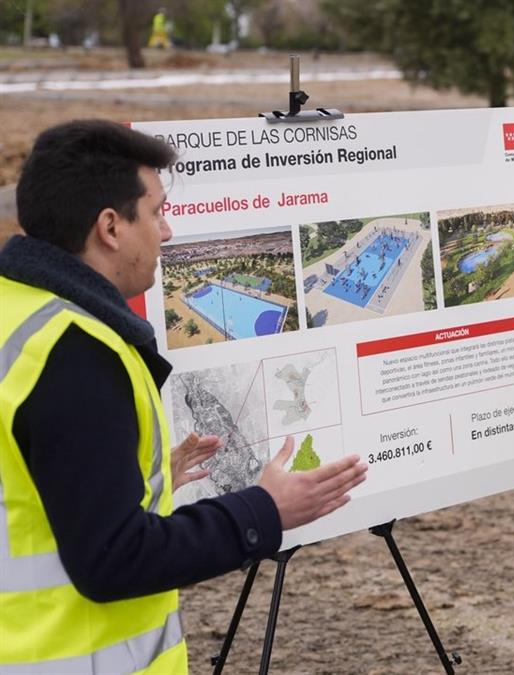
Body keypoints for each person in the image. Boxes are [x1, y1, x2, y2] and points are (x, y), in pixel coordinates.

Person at [0, 120, 368, 673]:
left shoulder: (17, 313)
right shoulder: (78, 354)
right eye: (156, 212)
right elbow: (113, 561)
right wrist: (264, 509)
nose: (167, 232)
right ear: (110, 227)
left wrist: (126, 479)